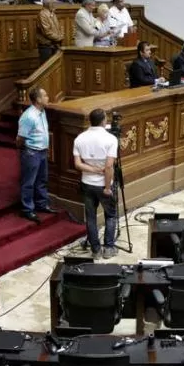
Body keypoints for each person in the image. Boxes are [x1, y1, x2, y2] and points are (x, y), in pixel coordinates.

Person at [73, 109, 119, 259]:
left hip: (87, 183)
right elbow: (109, 167)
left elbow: (78, 164)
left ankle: (96, 250)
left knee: (91, 217)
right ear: (104, 121)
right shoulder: (111, 139)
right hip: (103, 184)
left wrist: (92, 169)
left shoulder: (79, 138)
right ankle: (109, 248)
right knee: (110, 215)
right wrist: (107, 187)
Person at [16, 87, 53, 222]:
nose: (48, 97)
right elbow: (20, 138)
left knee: (42, 180)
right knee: (29, 182)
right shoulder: (28, 116)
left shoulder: (42, 112)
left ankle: (41, 204)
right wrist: (25, 151)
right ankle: (27, 209)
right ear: (38, 99)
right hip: (31, 153)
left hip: (42, 152)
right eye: (45, 95)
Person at [35, 0, 63, 64]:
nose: (55, 4)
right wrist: (59, 37)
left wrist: (60, 35)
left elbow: (57, 28)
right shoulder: (42, 14)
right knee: (46, 67)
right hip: (46, 45)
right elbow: (47, 32)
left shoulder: (52, 13)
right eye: (53, 2)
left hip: (54, 44)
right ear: (49, 4)